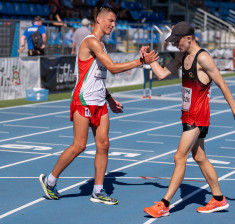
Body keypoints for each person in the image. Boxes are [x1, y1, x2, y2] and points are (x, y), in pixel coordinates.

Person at [39, 3, 158, 205]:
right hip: (83, 99)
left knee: (104, 144)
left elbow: (99, 75)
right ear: (99, 20)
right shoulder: (91, 42)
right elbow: (111, 68)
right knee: (79, 145)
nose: (113, 25)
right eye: (111, 21)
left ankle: (98, 190)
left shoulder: (101, 45)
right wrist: (140, 61)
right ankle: (50, 181)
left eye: (115, 21)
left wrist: (109, 98)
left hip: (99, 101)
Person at [141, 21, 235, 217]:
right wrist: (149, 60)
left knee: (179, 157)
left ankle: (164, 204)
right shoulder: (183, 55)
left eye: (177, 41)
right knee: (199, 157)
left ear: (188, 38)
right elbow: (162, 74)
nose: (174, 45)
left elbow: (221, 83)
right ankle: (219, 199)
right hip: (188, 113)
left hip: (198, 116)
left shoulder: (203, 58)